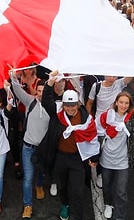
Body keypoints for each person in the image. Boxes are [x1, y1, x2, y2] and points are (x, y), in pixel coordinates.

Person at [41, 70, 100, 220]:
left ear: (78, 103)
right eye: (67, 105)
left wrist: (94, 156)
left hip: (77, 159)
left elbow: (92, 137)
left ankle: (77, 216)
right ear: (63, 104)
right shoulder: (58, 111)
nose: (70, 109)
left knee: (77, 190)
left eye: (73, 105)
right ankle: (64, 204)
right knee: (62, 186)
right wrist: (49, 83)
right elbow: (46, 101)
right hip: (60, 157)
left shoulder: (86, 118)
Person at [96, 85, 134, 220]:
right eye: (121, 102)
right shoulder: (106, 116)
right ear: (116, 102)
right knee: (107, 186)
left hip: (123, 161)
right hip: (107, 159)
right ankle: (108, 205)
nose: (123, 105)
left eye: (126, 103)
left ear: (129, 105)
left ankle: (120, 216)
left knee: (121, 191)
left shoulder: (132, 117)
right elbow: (97, 132)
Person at [9, 70, 50, 218]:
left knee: (40, 171)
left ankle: (39, 185)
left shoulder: (53, 107)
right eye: (38, 90)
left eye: (44, 91)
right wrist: (14, 76)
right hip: (28, 147)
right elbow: (18, 90)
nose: (40, 93)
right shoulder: (30, 101)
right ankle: (27, 205)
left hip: (42, 148)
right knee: (28, 178)